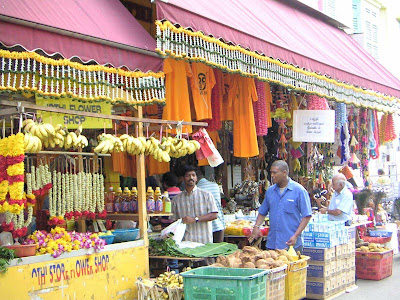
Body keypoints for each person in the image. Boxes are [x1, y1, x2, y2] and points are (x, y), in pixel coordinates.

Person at [249, 160, 312, 252]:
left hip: (291, 244)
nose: (272, 175)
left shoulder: (299, 191)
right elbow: (262, 212)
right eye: (271, 173)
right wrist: (256, 226)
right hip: (272, 244)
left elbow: (307, 216)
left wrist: (295, 235)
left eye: (275, 173)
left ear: (284, 173)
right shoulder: (270, 191)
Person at [171, 165, 218, 244]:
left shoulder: (206, 195)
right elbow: (174, 220)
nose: (191, 178)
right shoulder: (177, 199)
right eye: (188, 176)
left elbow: (214, 215)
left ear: (196, 178)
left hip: (204, 240)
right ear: (183, 178)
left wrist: (195, 219)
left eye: (193, 175)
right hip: (185, 241)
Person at [196, 169, 225, 243]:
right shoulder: (215, 185)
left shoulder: (197, 189)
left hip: (206, 227)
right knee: (218, 252)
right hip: (219, 224)